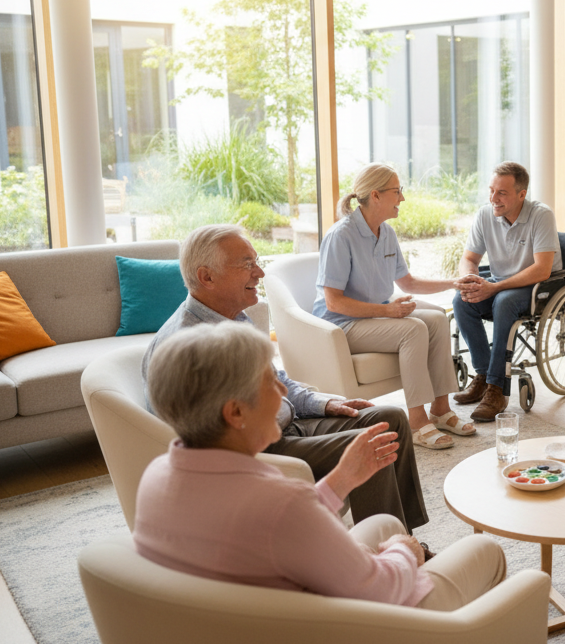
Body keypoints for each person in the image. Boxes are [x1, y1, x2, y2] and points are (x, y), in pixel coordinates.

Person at [135, 324, 506, 609]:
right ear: (235, 412)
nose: (282, 394)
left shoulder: (155, 476)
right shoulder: (282, 502)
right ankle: (456, 641)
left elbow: (269, 528)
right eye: (269, 383)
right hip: (346, 634)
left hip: (249, 626)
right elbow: (381, 588)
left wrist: (340, 481)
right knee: (486, 552)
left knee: (384, 524)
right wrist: (405, 552)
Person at [143, 224, 427, 530]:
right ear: (206, 277)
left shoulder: (234, 317)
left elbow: (278, 380)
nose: (260, 273)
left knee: (390, 419)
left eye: (256, 261)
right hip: (261, 445)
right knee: (371, 442)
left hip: (287, 423)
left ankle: (403, 535)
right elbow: (206, 437)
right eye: (247, 265)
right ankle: (383, 549)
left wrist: (325, 402)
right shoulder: (189, 345)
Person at [313, 162, 473, 451]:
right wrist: (387, 311)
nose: (402, 198)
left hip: (374, 314)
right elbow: (333, 301)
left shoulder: (385, 232)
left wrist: (454, 282)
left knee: (437, 317)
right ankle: (416, 422)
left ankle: (440, 409)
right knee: (411, 329)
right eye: (397, 191)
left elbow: (408, 283)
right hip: (342, 324)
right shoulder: (341, 236)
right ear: (375, 195)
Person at [451, 162, 562, 422]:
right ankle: (483, 375)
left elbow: (542, 269)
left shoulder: (541, 215)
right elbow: (469, 257)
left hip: (537, 287)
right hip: (500, 283)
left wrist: (495, 286)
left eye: (501, 192)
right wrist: (470, 278)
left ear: (521, 195)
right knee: (461, 299)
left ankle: (498, 388)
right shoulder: (485, 215)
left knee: (503, 301)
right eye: (491, 190)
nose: (493, 198)